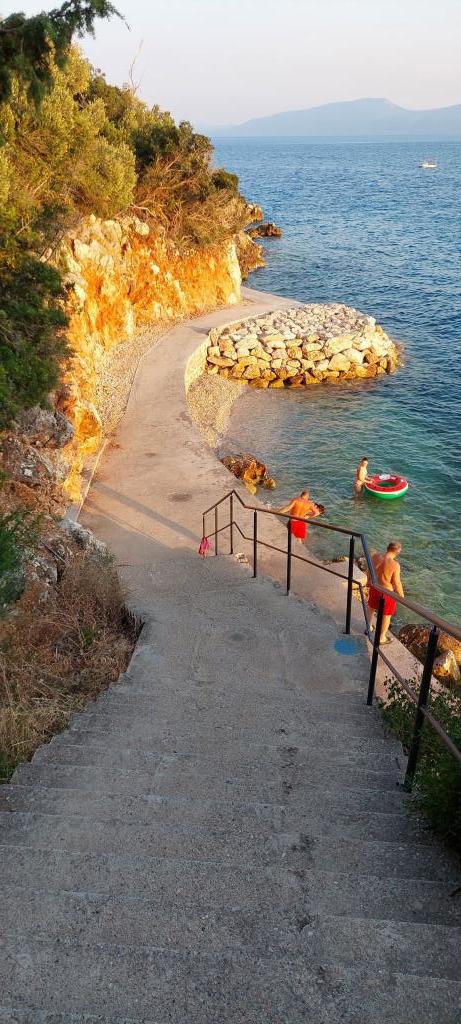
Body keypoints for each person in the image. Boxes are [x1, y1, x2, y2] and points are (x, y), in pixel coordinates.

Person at [367, 541, 404, 644]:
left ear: (388, 548)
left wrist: (368, 581)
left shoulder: (375, 557)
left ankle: (368, 627)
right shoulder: (395, 565)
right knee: (386, 615)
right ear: (397, 551)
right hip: (386, 593)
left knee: (371, 608)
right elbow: (397, 583)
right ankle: (381, 638)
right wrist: (401, 597)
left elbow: (369, 570)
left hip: (375, 587)